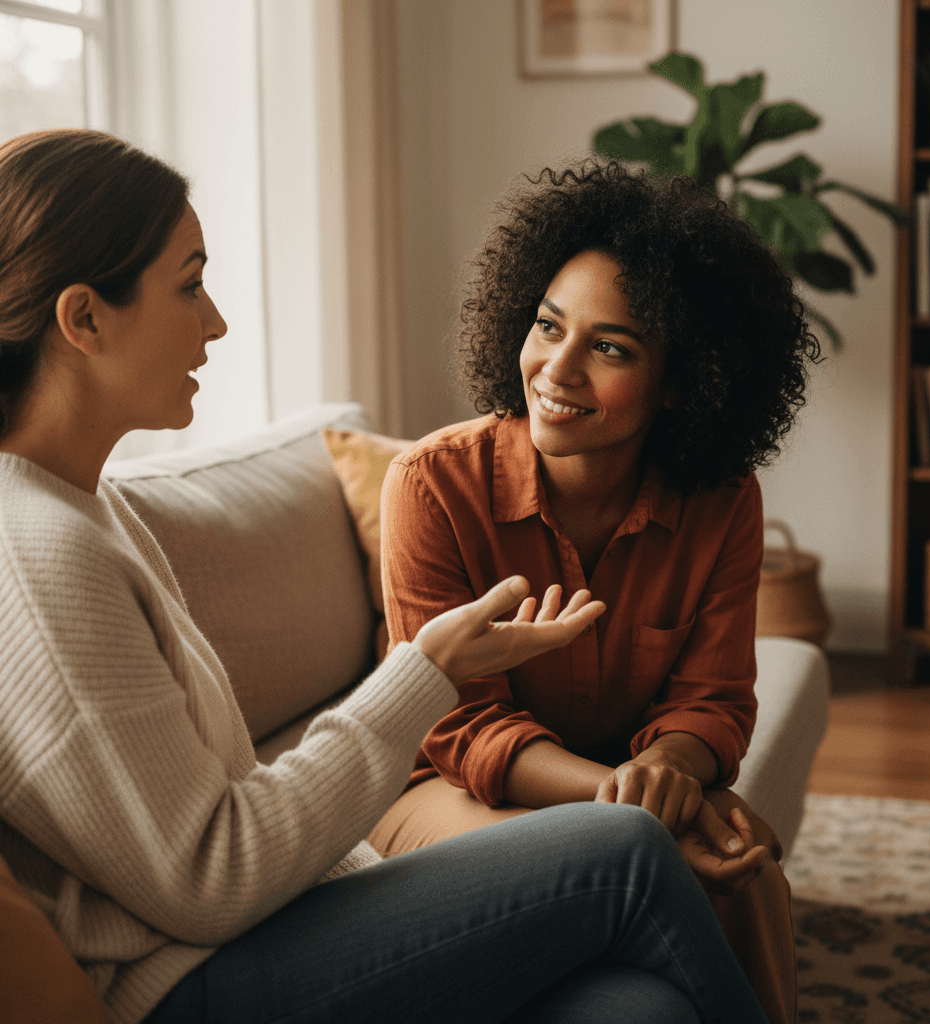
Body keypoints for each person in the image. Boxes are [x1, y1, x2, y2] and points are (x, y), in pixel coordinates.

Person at [0, 130, 774, 1024]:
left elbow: (205, 829)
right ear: (85, 320)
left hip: (270, 925)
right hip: (187, 986)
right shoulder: (40, 555)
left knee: (640, 1009)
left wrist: (667, 765)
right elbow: (211, 880)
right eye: (190, 285)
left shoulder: (88, 510)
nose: (215, 322)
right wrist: (428, 669)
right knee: (629, 851)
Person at [369, 160, 821, 1024]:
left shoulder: (722, 500)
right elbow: (461, 728)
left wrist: (669, 771)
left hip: (625, 791)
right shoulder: (431, 484)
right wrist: (632, 804)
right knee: (643, 859)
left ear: (682, 382)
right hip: (448, 794)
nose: (557, 369)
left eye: (611, 347)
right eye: (548, 326)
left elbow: (713, 701)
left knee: (747, 872)